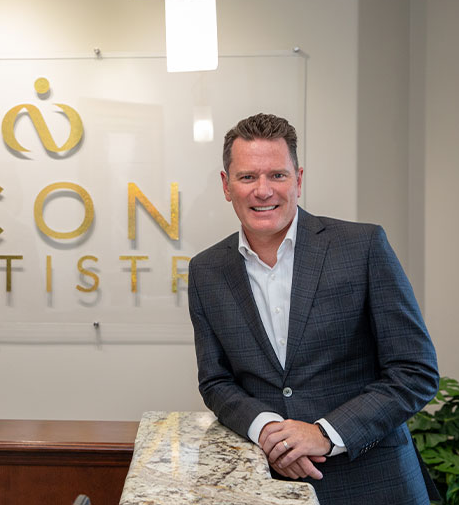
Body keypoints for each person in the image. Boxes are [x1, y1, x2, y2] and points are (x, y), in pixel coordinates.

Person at [188, 113, 438, 504]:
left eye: (277, 175)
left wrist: (323, 433)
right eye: (248, 177)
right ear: (226, 185)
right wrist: (269, 430)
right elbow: (216, 382)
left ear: (299, 180)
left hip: (376, 483)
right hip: (272, 485)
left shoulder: (363, 246)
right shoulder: (206, 270)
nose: (263, 190)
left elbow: (415, 371)